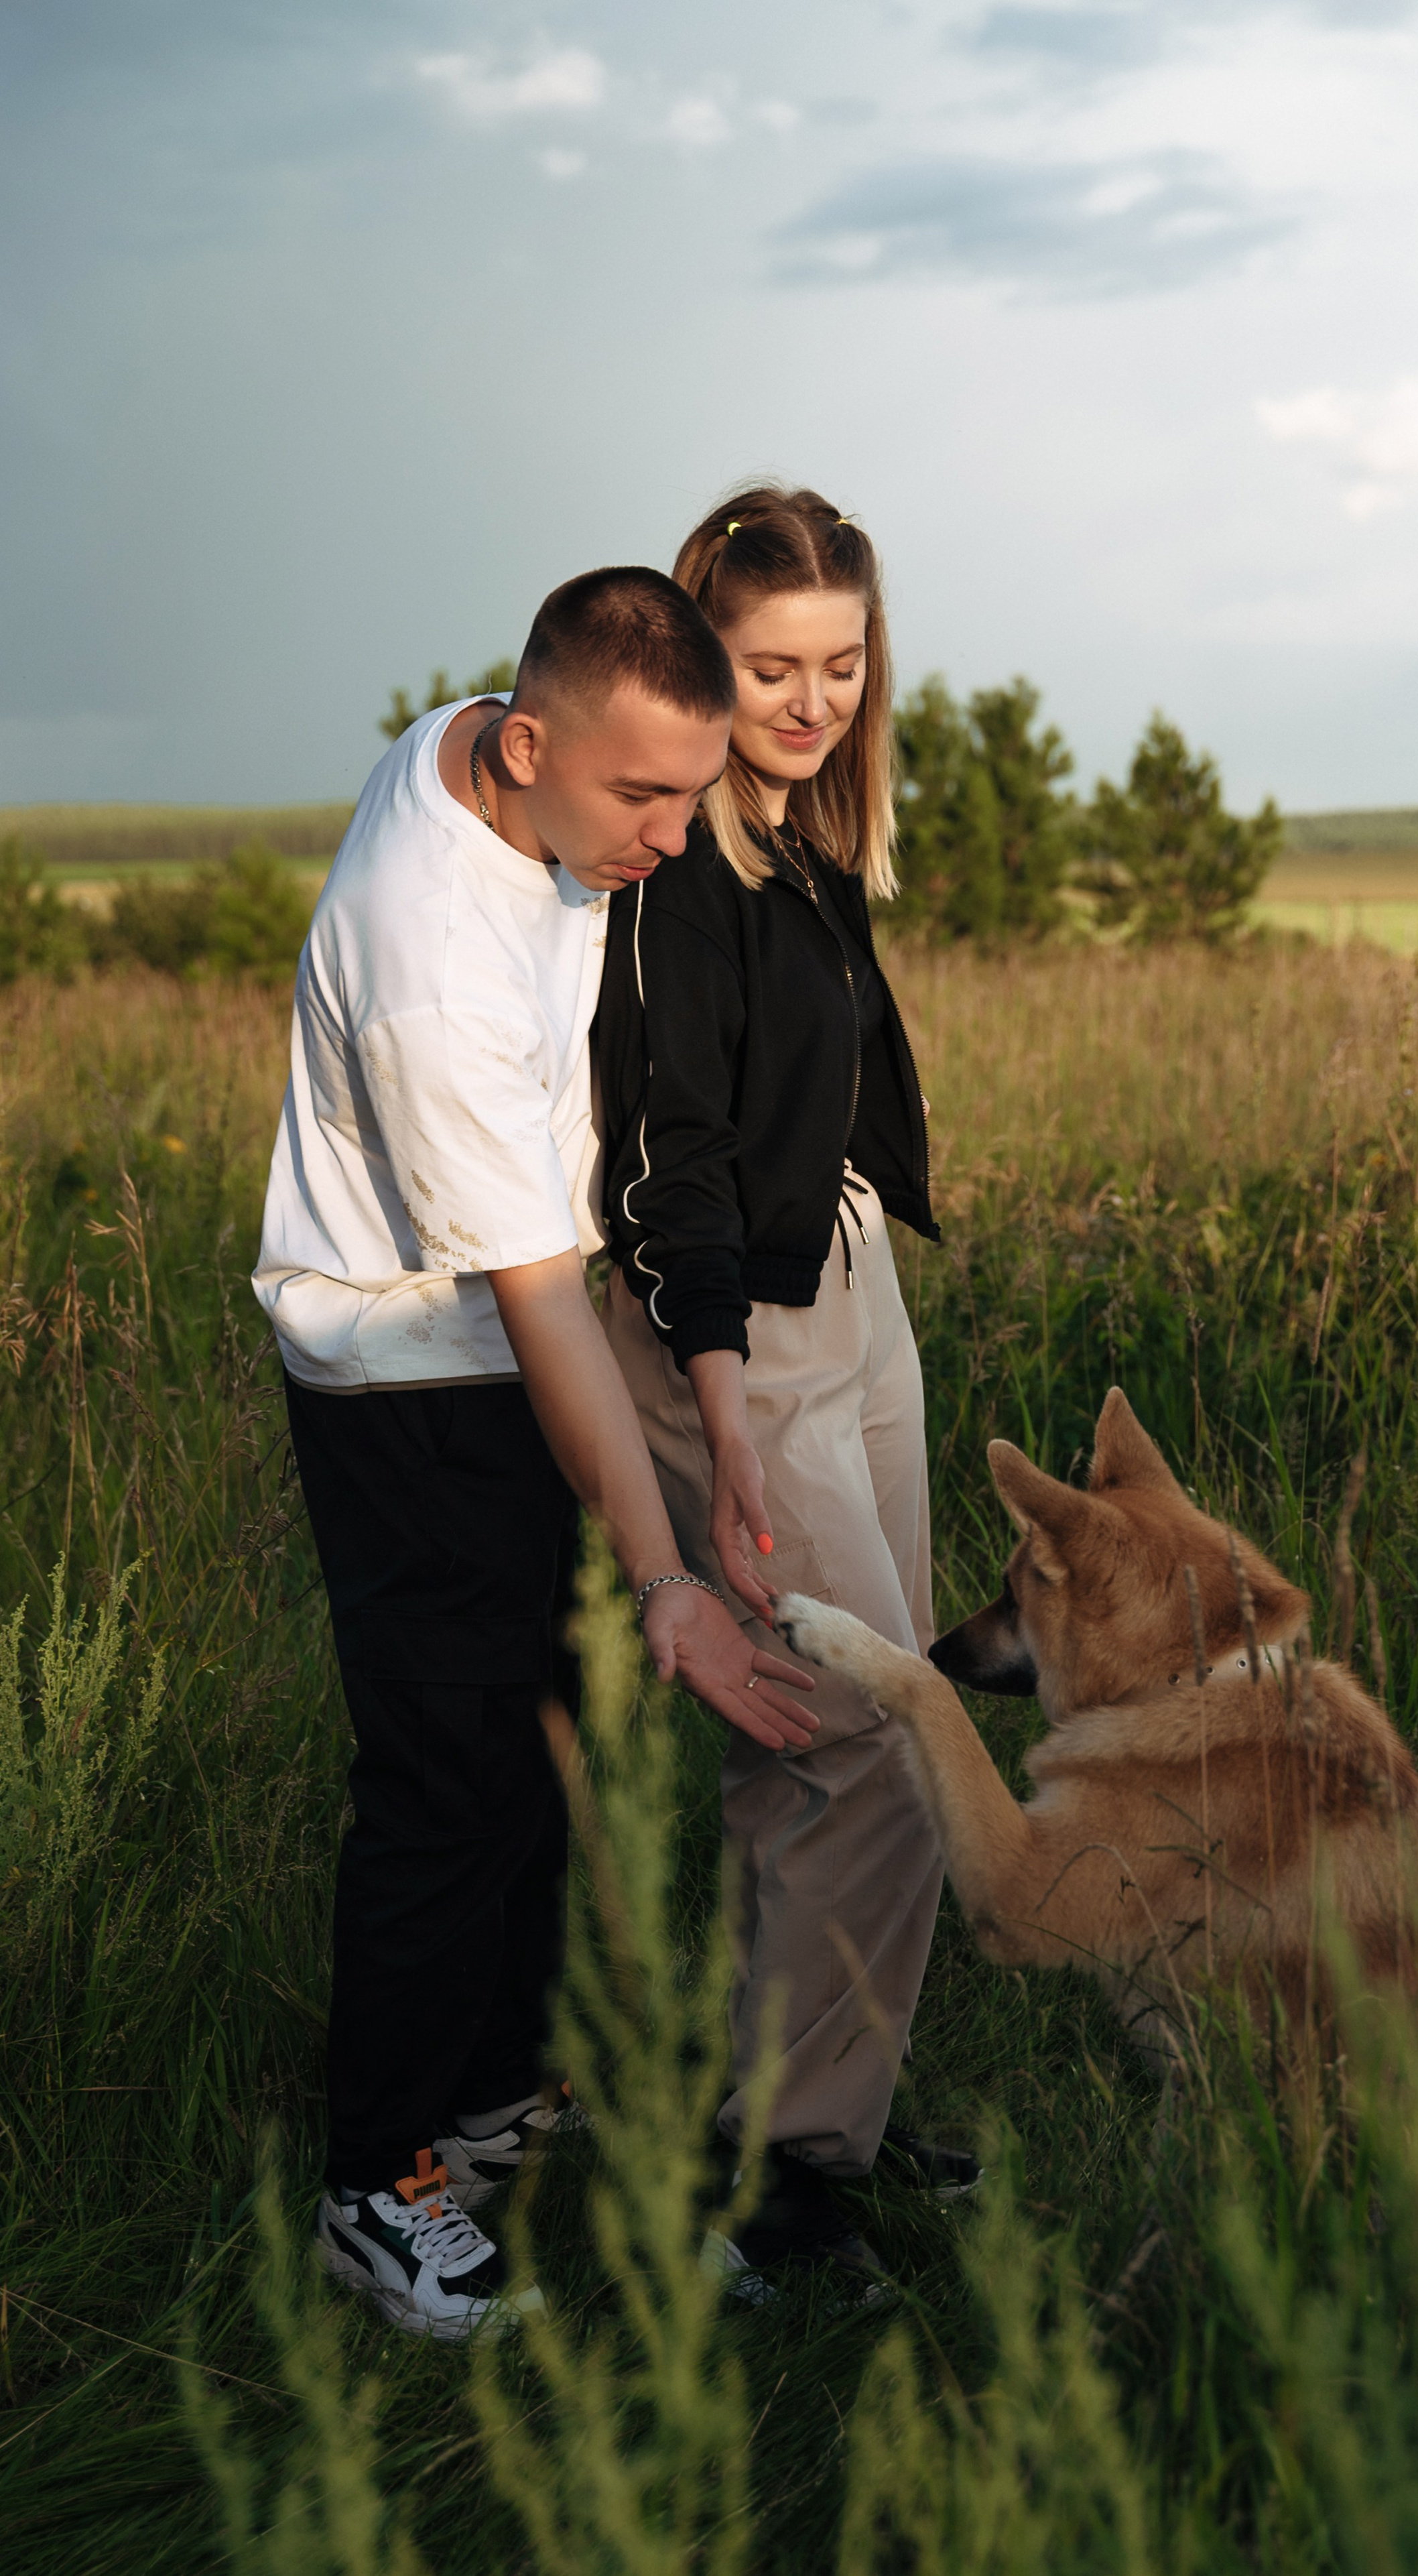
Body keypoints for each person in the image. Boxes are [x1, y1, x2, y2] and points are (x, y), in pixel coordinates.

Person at [253, 567, 816, 2343]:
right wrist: (668, 1579)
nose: (666, 836)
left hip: (481, 1343)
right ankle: (377, 2183)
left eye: (691, 794)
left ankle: (489, 2100)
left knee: (530, 1744)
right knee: (443, 1782)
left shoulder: (493, 767)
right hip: (403, 1376)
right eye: (639, 799)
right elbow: (543, 1306)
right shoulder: (431, 959)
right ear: (524, 745)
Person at [595, 485, 972, 2298]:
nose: (811, 700)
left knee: (830, 1754)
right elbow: (664, 1153)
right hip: (730, 1325)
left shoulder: (803, 837)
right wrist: (721, 1397)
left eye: (841, 664)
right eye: (769, 667)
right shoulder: (678, 863)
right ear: (702, 649)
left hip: (839, 1279)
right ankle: (781, 2192)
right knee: (867, 1734)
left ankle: (829, 2089)